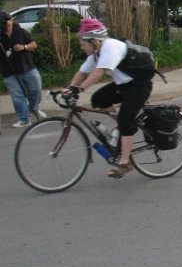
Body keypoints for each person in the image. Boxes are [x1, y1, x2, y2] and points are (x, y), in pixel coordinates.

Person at [63, 19, 153, 178]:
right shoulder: (96, 53)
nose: (81, 46)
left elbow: (98, 73)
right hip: (124, 84)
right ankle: (121, 126)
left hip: (139, 85)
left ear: (93, 42)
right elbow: (82, 72)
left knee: (126, 122)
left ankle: (124, 163)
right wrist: (70, 89)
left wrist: (80, 89)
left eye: (83, 44)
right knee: (99, 99)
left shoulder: (111, 47)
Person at [0, 11, 45, 128]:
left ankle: (34, 108)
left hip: (27, 67)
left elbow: (34, 45)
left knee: (36, 91)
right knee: (17, 96)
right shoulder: (1, 37)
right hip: (9, 71)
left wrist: (23, 47)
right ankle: (24, 119)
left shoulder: (20, 32)